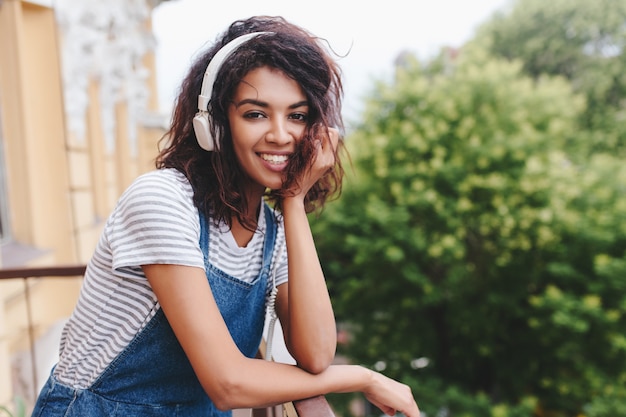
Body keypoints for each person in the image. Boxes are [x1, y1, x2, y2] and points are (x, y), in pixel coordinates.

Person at [31, 15, 420, 417]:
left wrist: (293, 201)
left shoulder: (272, 229)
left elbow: (317, 353)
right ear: (214, 124)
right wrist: (364, 378)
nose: (281, 135)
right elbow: (227, 382)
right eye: (256, 114)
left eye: (298, 116)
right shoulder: (162, 200)